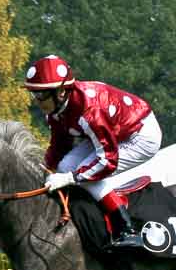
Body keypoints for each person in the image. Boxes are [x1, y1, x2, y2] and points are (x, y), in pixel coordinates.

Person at [25, 55, 162, 250]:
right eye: (34, 94)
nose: (37, 101)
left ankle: (126, 229)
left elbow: (108, 162)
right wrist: (45, 170)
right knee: (64, 166)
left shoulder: (89, 112)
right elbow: (59, 145)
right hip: (112, 131)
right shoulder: (56, 111)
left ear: (61, 92)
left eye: (41, 95)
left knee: (86, 175)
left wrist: (71, 178)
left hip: (140, 135)